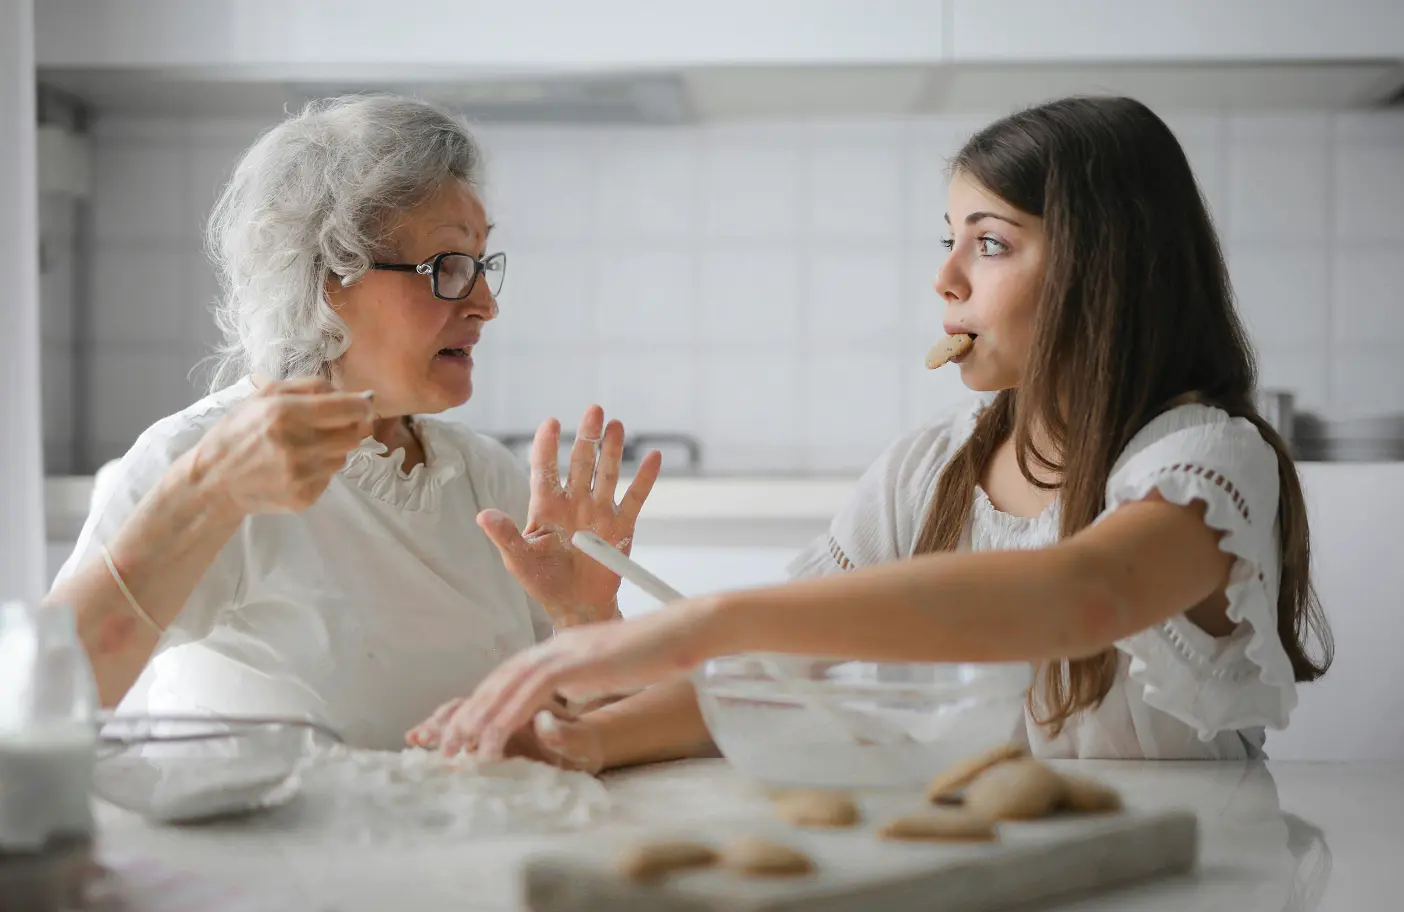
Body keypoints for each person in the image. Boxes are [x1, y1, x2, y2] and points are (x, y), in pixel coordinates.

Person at [414, 95, 1334, 765]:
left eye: (992, 242)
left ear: (1107, 272)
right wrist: (589, 737)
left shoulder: (1206, 461)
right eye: (949, 239)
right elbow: (780, 673)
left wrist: (709, 617)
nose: (947, 280)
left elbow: (1081, 595)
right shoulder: (928, 469)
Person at [44, 94, 659, 750]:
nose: (484, 304)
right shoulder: (201, 457)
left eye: (482, 265)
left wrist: (586, 618)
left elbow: (583, 736)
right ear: (328, 277)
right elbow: (42, 701)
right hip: (270, 853)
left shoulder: (484, 478)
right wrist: (203, 495)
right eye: (448, 267)